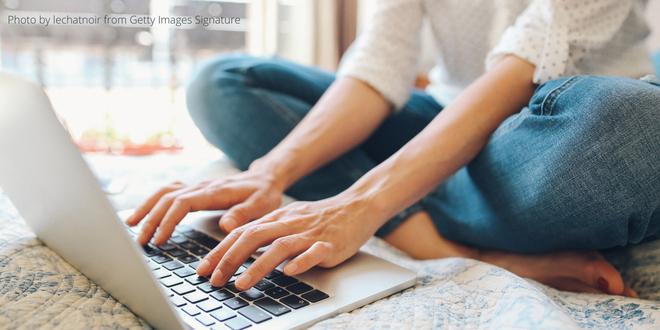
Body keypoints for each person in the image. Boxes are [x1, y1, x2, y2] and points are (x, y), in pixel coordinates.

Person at [126, 0, 660, 298]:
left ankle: (416, 195)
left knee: (630, 125)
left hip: (547, 136)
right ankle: (457, 243)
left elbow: (521, 69)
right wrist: (273, 171)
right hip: (441, 120)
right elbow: (379, 64)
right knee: (223, 81)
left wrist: (359, 204)